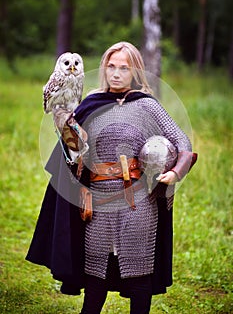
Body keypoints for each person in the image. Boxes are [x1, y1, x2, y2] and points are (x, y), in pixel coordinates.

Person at [26, 42, 197, 314]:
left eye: (124, 68)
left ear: (135, 71)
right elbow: (74, 155)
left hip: (138, 203)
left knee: (140, 277)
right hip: (98, 203)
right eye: (111, 66)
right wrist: (67, 130)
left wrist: (176, 171)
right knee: (96, 279)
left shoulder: (147, 106)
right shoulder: (90, 103)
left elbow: (181, 140)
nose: (116, 73)